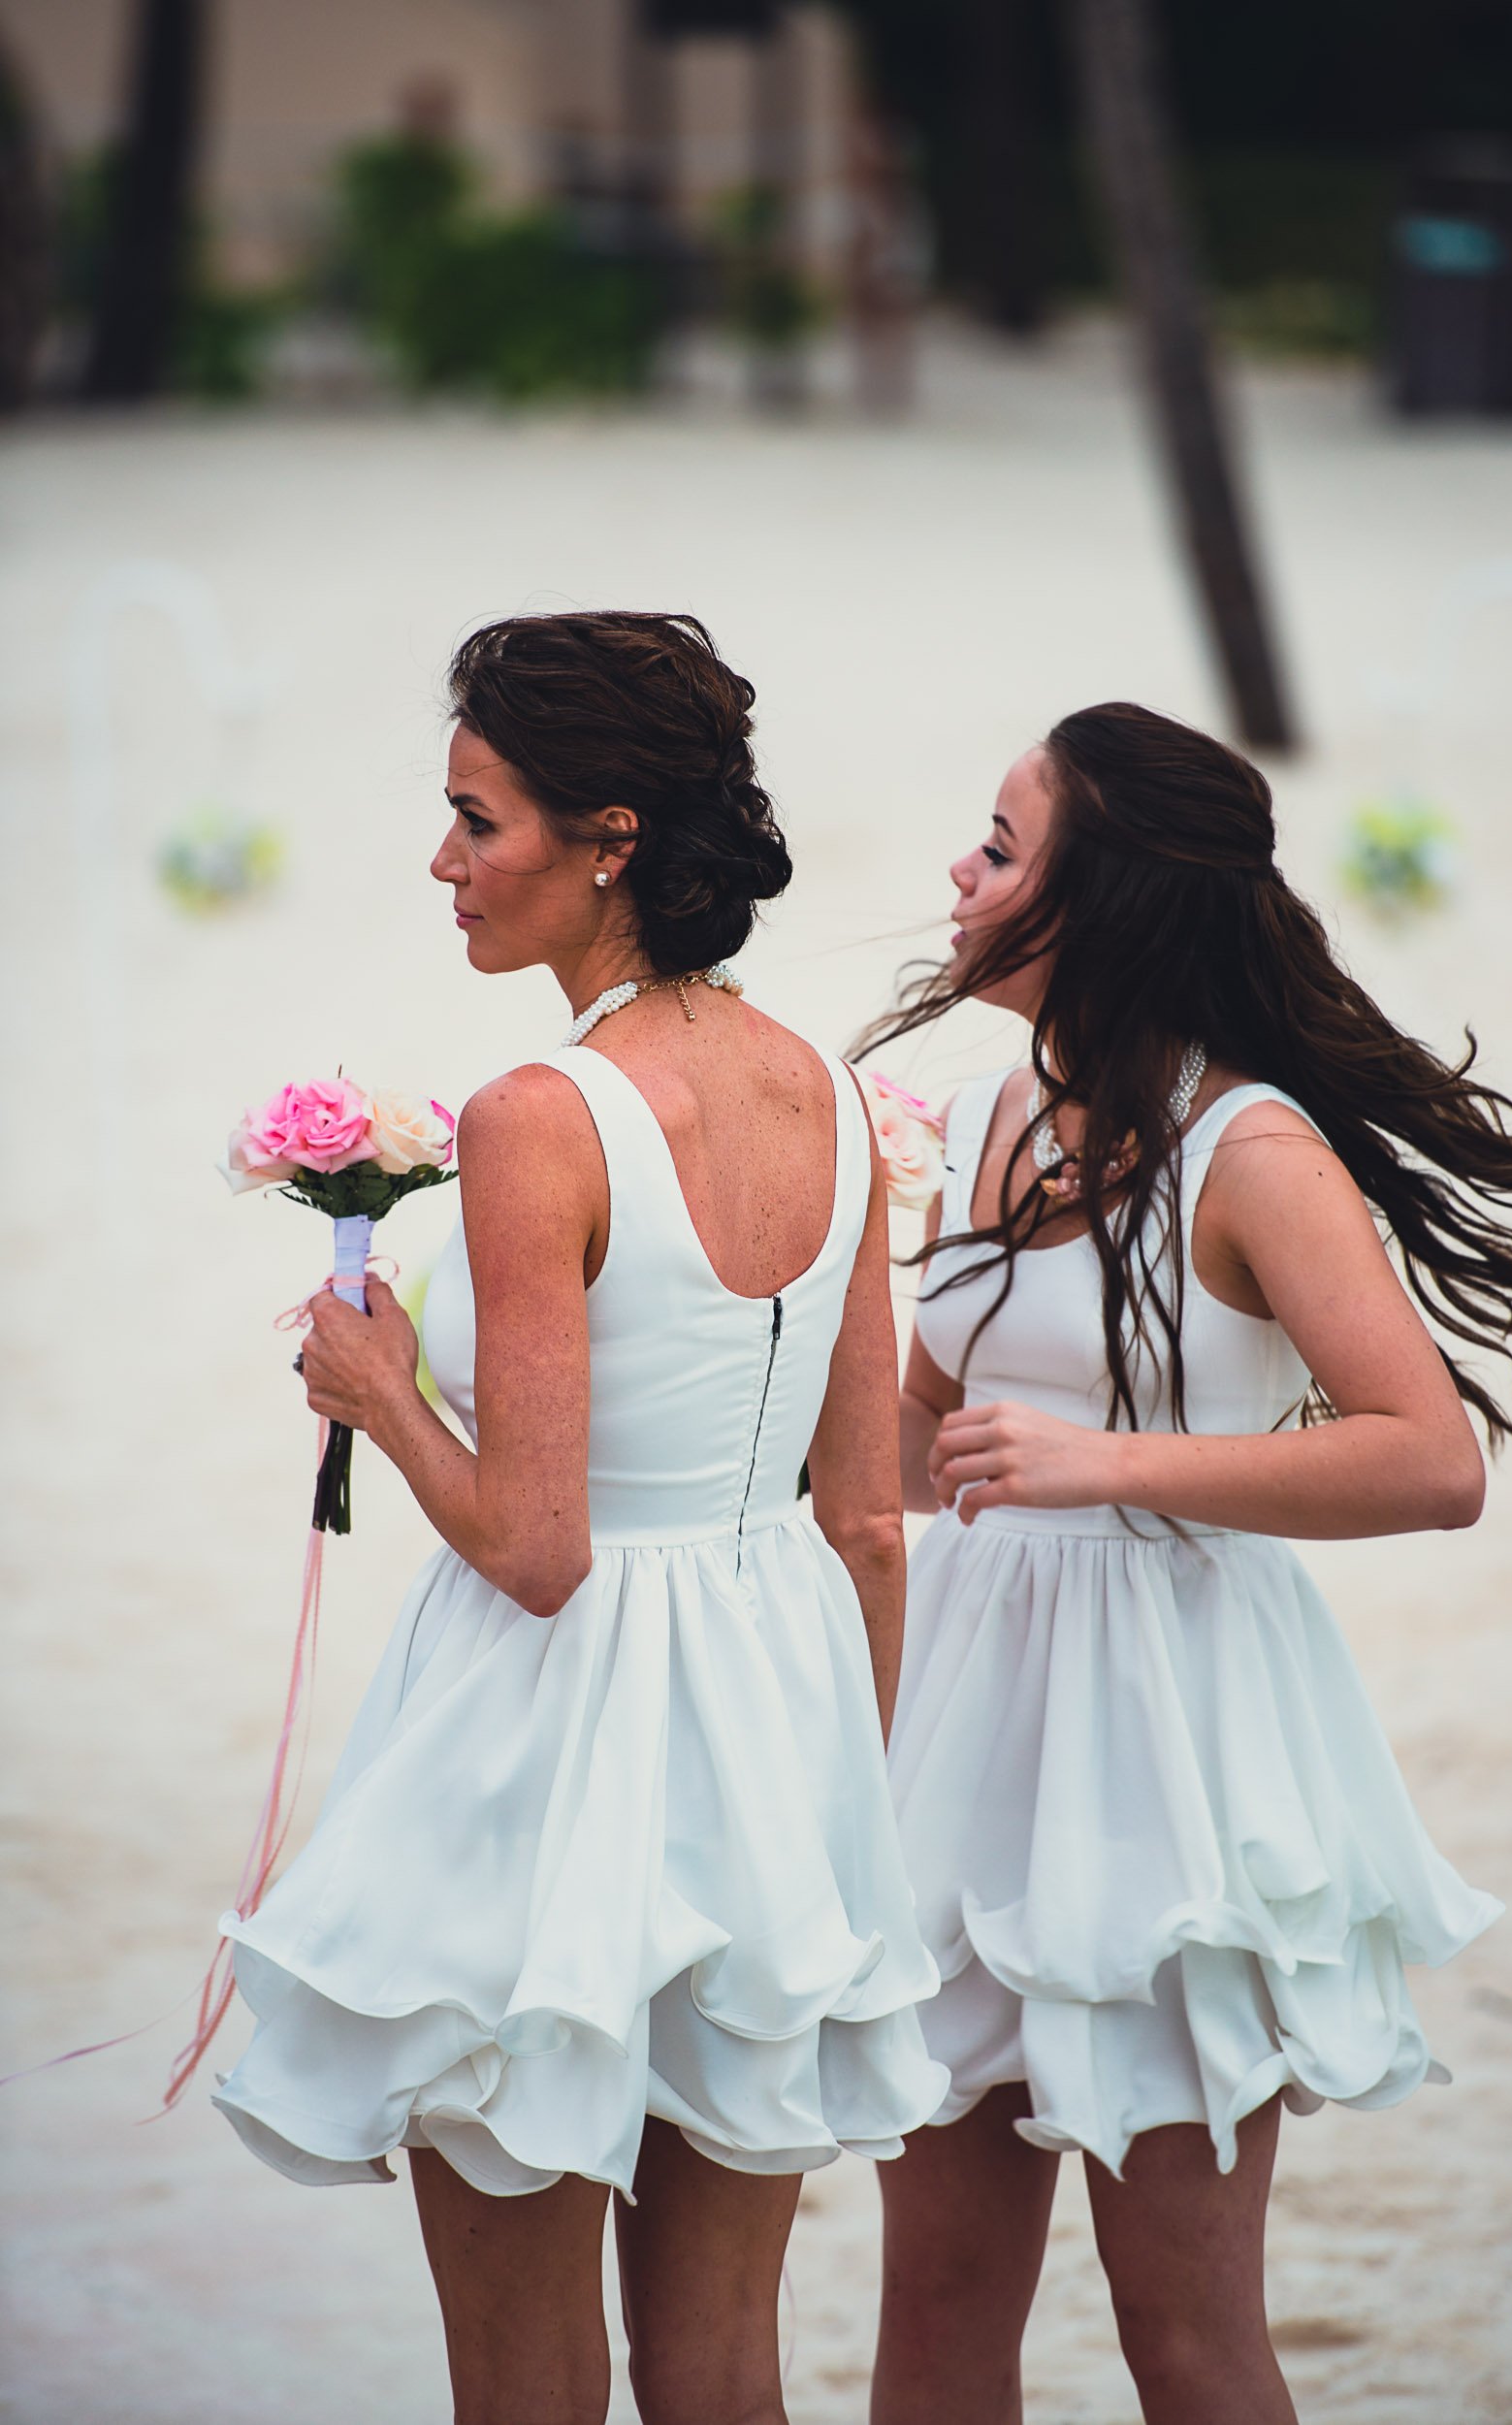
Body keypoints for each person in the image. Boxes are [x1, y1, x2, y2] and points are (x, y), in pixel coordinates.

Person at [212, 611, 947, 2425]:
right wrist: (831, 1819)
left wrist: (380, 1395)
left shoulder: (546, 1115)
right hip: (771, 1733)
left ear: (608, 835)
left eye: (478, 819)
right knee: (723, 2375)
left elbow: (539, 1550)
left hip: (548, 1758)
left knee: (524, 2388)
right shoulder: (839, 1100)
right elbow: (865, 1521)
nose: (444, 862)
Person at [866, 703, 1512, 2425]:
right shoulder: (991, 1111)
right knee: (936, 2314)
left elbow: (1429, 1461)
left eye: (998, 845)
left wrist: (1101, 1463)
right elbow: (926, 1439)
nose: (958, 876)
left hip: (1175, 1748)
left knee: (1182, 2336)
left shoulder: (1253, 1150)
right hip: (976, 1736)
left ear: (1103, 902)